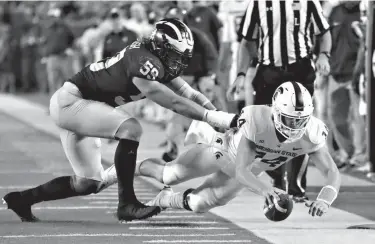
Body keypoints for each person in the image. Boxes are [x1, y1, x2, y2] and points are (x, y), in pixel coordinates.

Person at [2, 19, 238, 222]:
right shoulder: (143, 61)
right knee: (131, 128)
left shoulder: (156, 58)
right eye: (174, 55)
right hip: (71, 103)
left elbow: (189, 94)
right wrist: (211, 117)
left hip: (84, 108)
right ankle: (127, 204)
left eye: (181, 56)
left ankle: (22, 200)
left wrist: (214, 112)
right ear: (161, 46)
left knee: (88, 183)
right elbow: (172, 102)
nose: (178, 62)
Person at [137, 82, 341, 217]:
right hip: (223, 152)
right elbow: (240, 168)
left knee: (199, 204)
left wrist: (325, 199)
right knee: (169, 175)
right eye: (290, 119)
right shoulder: (258, 121)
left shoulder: (312, 133)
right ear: (276, 112)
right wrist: (265, 190)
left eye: (300, 121)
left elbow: (331, 171)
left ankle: (165, 200)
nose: (295, 127)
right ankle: (123, 169)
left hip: (248, 172)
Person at [229, 0, 332, 202]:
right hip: (269, 72)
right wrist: (241, 73)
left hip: (300, 69)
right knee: (263, 127)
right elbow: (247, 41)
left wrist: (324, 55)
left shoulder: (308, 2)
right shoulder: (259, 4)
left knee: (300, 127)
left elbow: (324, 32)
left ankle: (295, 187)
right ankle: (278, 177)